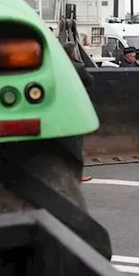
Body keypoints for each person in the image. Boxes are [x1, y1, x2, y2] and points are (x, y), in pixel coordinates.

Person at [63, 42, 96, 182]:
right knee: (76, 142)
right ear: (73, 53)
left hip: (58, 107)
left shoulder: (55, 65)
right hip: (73, 107)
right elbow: (90, 81)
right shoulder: (78, 66)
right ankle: (76, 173)